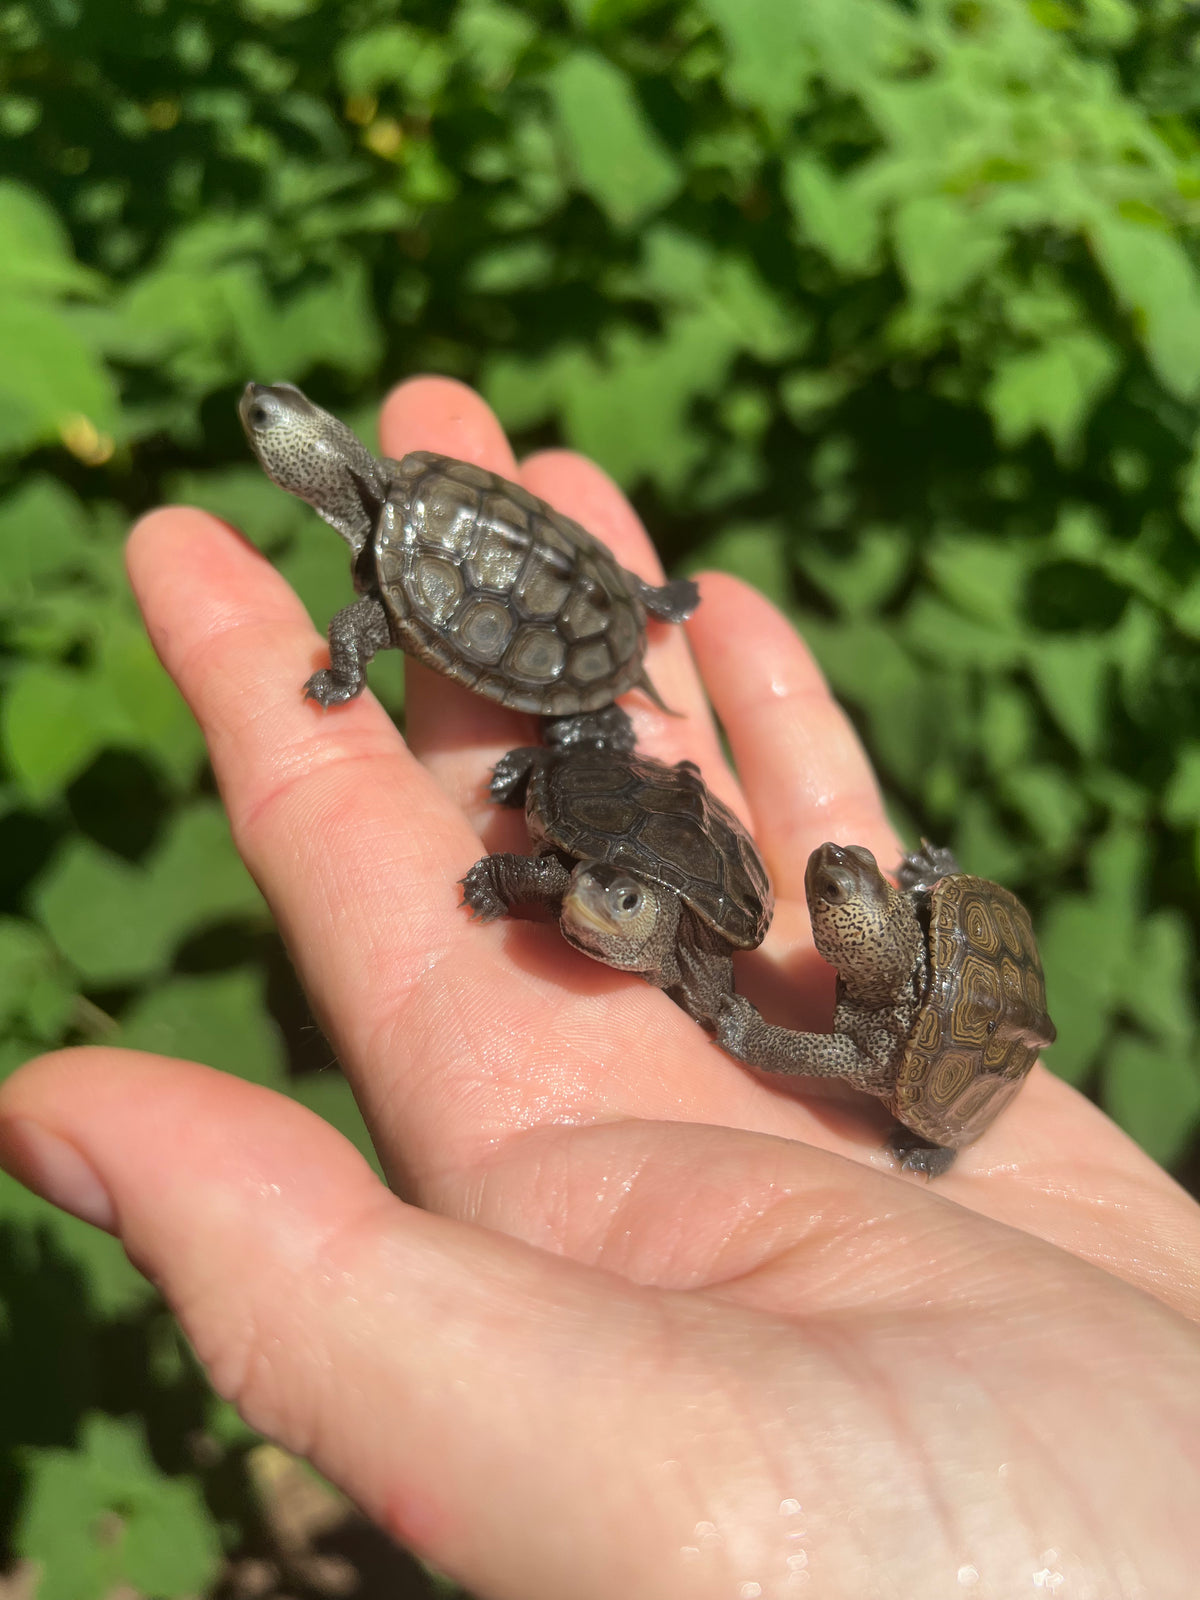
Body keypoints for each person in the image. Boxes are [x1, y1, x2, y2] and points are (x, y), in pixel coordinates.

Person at [2, 378, 1199, 1598]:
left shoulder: (815, 1003)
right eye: (845, 899)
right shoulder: (784, 926)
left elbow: (777, 1034)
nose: (835, 890)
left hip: (839, 978)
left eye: (849, 901)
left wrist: (749, 1022)